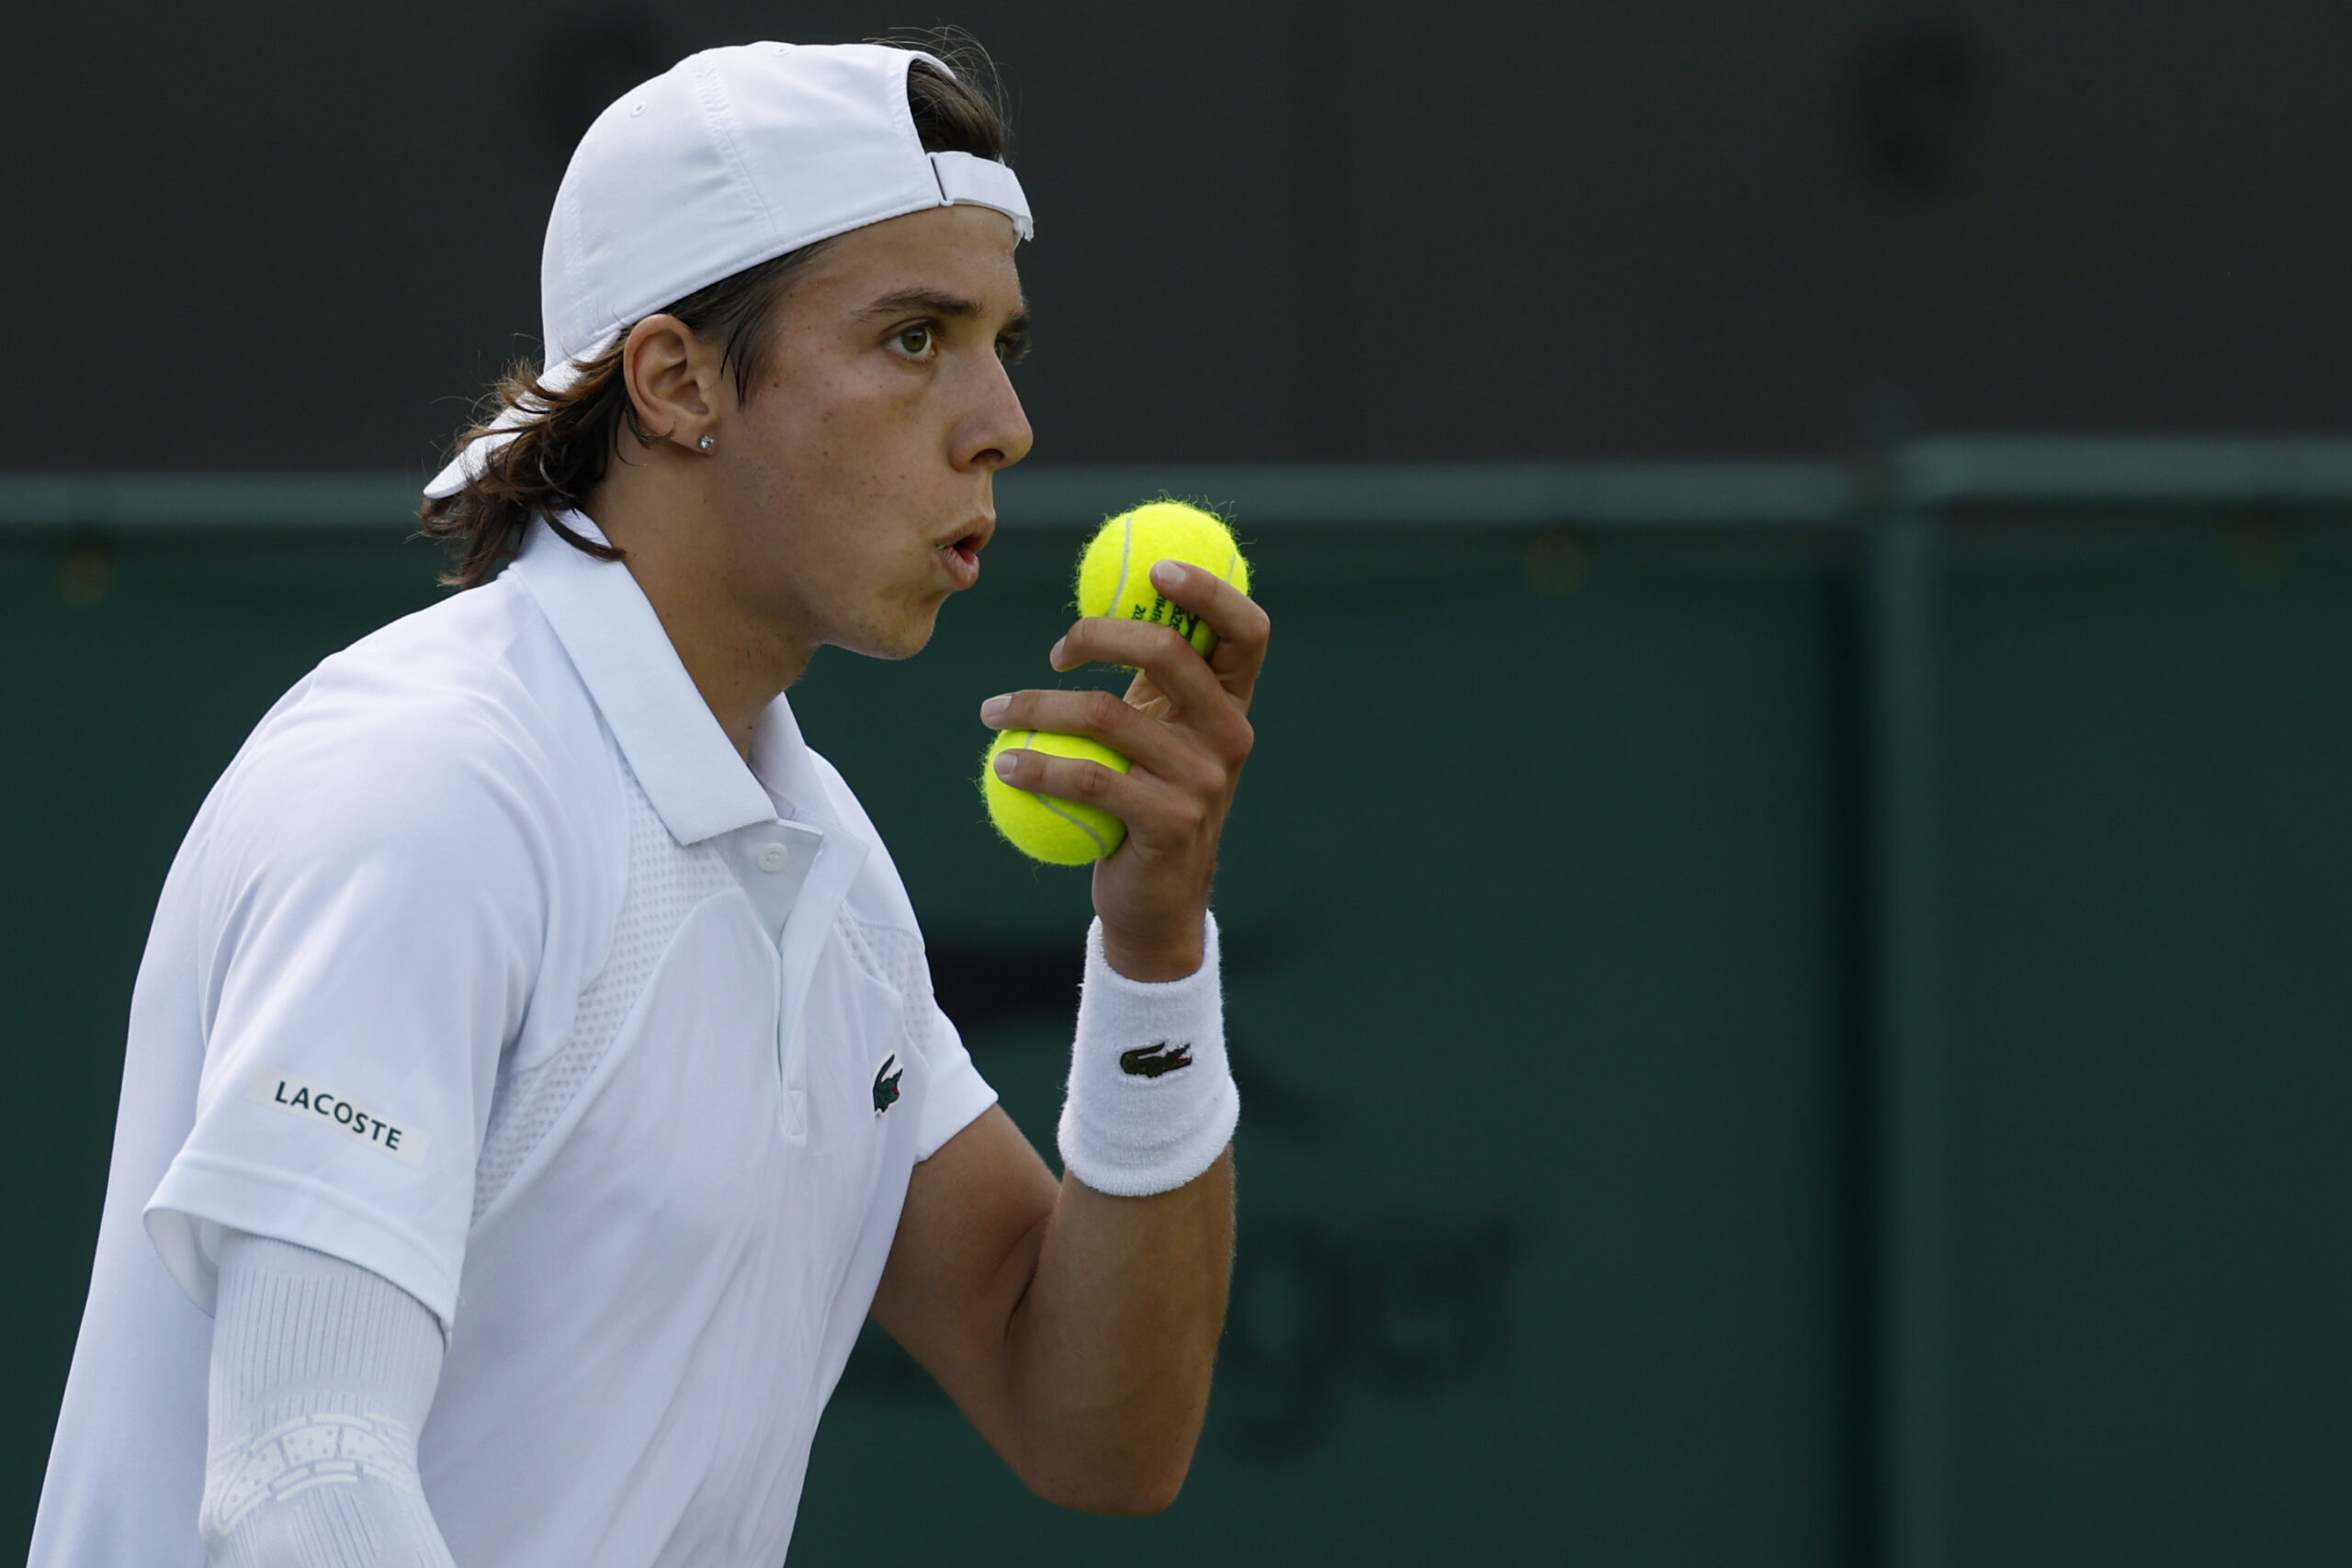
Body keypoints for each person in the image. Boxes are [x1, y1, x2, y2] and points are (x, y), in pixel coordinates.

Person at [31, 37, 1264, 1567]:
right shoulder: (427, 787)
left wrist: (1155, 949)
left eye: (1003, 341)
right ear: (679, 382)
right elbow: (303, 1467)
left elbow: (1097, 1423)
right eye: (913, 339)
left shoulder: (829, 877)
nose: (1000, 422)